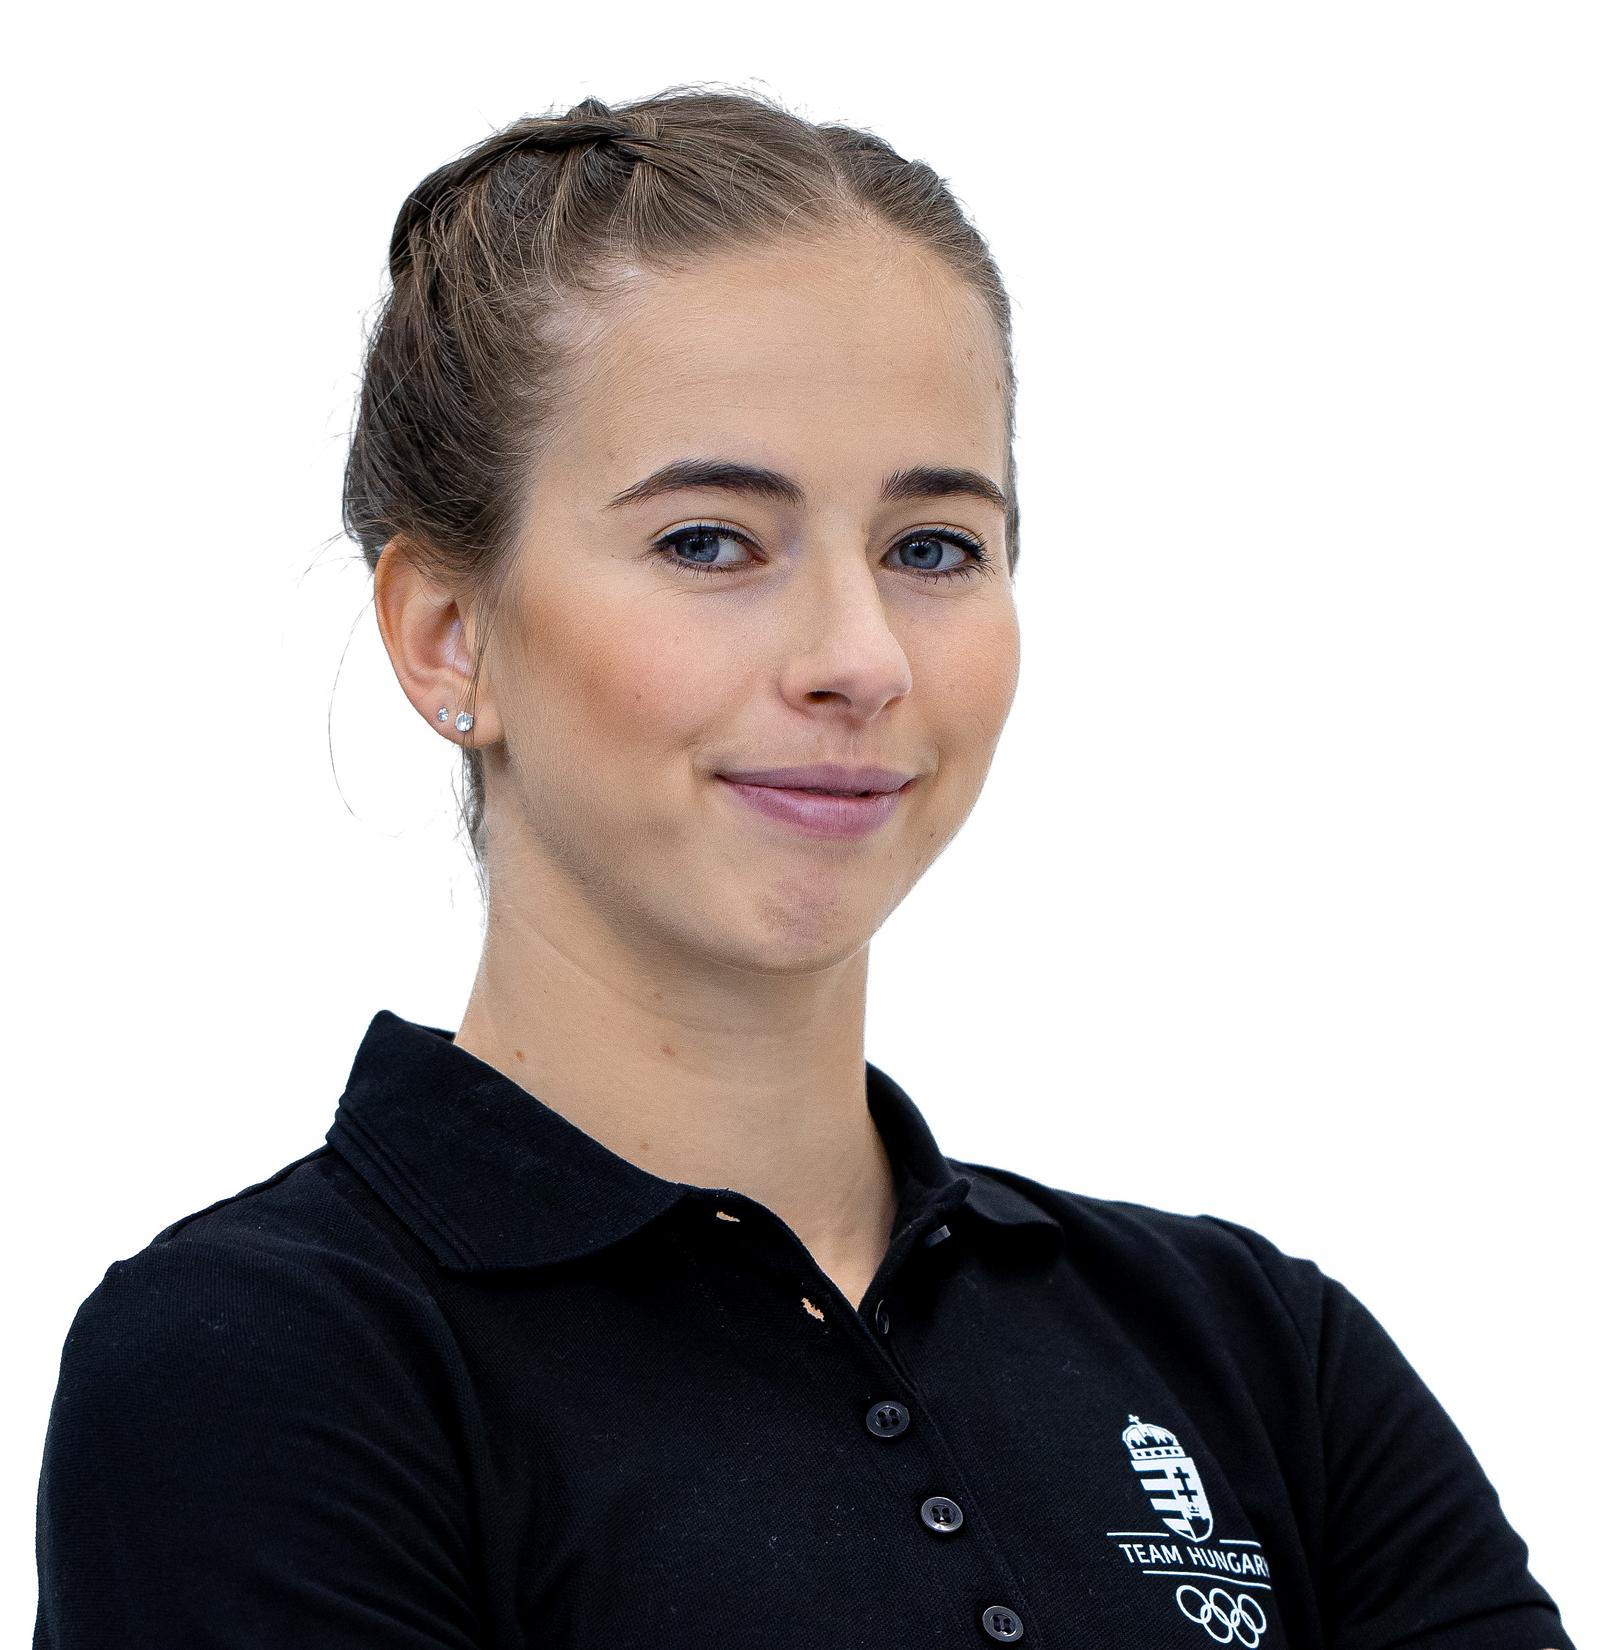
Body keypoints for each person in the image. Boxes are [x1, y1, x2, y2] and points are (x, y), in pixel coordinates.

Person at [32, 86, 1574, 1649]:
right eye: (709, 541)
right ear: (448, 635)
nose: (860, 656)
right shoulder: (259, 1363)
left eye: (931, 548)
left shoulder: (1262, 1359)